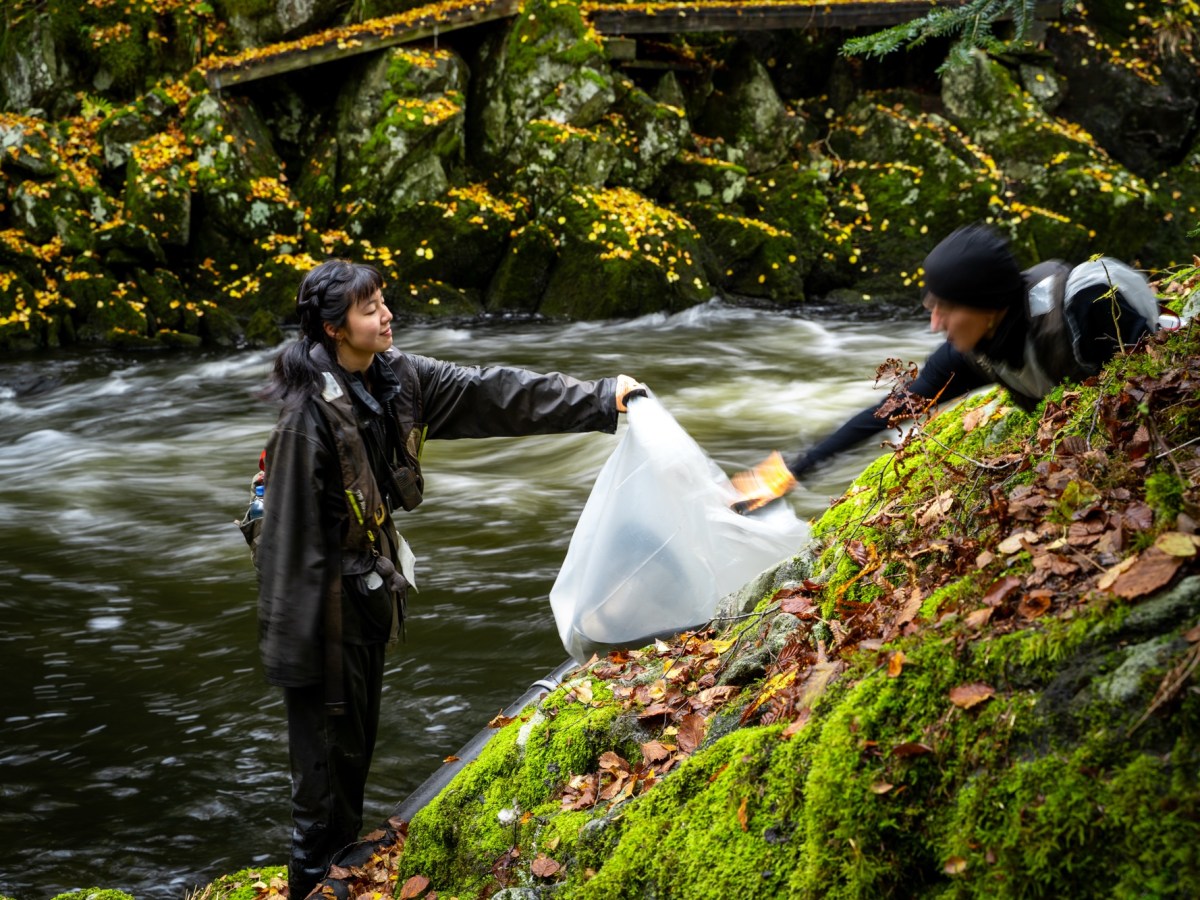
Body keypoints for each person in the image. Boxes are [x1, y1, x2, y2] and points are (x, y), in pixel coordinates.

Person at [253, 258, 644, 898]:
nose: (386, 315)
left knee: (348, 773)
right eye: (369, 308)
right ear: (332, 329)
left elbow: (497, 393)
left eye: (383, 300)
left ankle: (336, 882)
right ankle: (313, 887)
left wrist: (604, 399)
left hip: (365, 600)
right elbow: (286, 548)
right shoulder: (305, 420)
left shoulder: (397, 377)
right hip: (318, 623)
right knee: (319, 799)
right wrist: (296, 659)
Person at [732, 224, 1160, 510]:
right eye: (932, 307)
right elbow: (891, 410)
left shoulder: (1084, 308)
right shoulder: (972, 350)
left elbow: (1152, 390)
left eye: (947, 310)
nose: (935, 324)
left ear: (989, 306)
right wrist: (793, 469)